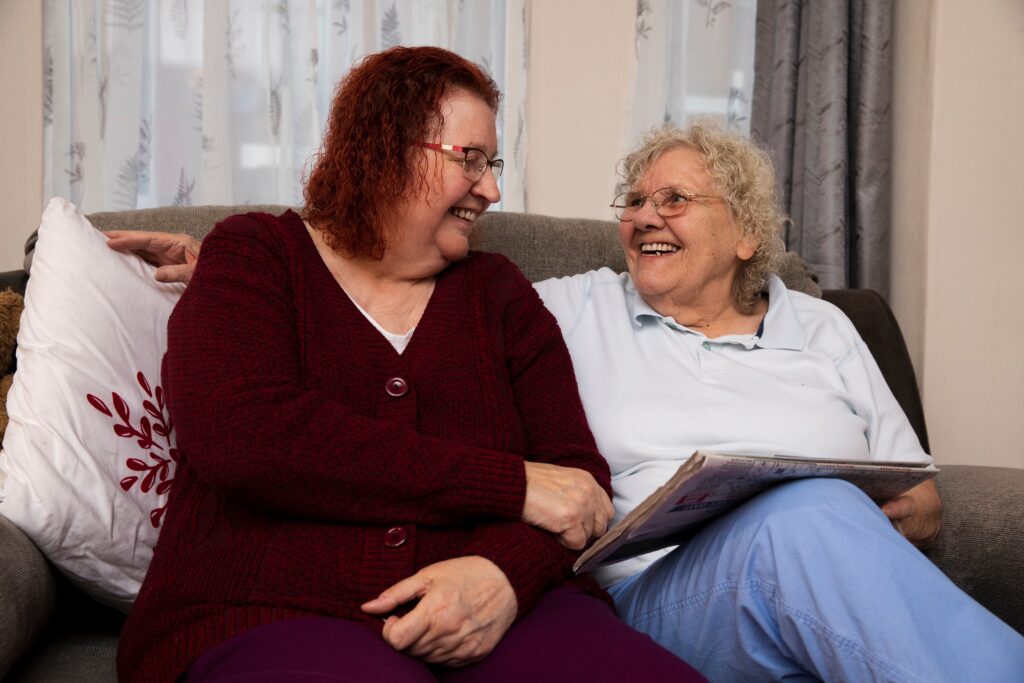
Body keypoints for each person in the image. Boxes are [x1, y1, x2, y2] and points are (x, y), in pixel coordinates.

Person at [111, 119, 1024, 680]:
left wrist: (911, 507)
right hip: (660, 595)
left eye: (675, 199)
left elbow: (920, 496)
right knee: (810, 519)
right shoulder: (571, 303)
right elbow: (390, 290)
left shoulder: (827, 328)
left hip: (821, 586)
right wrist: (256, 261)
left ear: (749, 233)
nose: (641, 217)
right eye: (633, 199)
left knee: (818, 516)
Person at [113, 46, 704, 683]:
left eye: (493, 164)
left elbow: (576, 482)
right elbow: (243, 433)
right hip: (270, 611)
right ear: (385, 149)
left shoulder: (499, 293)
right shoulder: (254, 255)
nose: (492, 189)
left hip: (510, 613)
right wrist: (510, 485)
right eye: (471, 160)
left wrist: (503, 576)